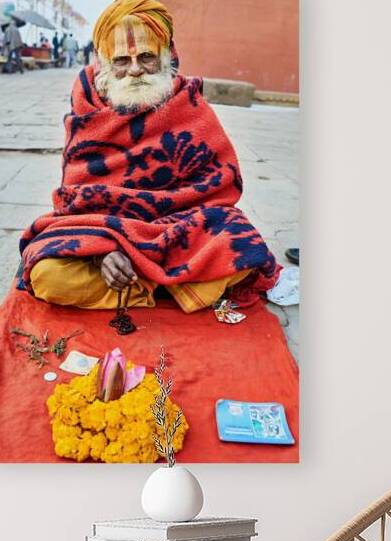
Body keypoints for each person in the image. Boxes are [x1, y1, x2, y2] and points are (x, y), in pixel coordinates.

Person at [19, 0, 278, 314]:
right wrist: (101, 251)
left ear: (166, 56)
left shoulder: (187, 102)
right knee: (48, 276)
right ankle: (171, 287)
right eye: (121, 60)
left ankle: (143, 286)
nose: (135, 69)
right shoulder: (87, 105)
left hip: (176, 232)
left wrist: (150, 244)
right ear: (103, 63)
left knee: (242, 246)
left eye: (146, 57)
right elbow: (78, 200)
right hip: (108, 232)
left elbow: (220, 187)